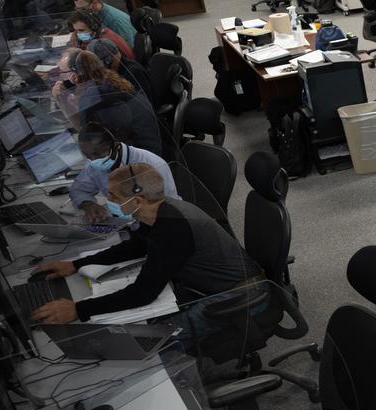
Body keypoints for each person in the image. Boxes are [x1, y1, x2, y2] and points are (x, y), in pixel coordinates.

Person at [30, 164, 266, 348]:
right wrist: (76, 264)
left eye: (113, 197)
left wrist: (77, 310)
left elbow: (143, 293)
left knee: (157, 339)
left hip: (240, 297)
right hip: (214, 287)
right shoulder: (159, 211)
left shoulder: (172, 228)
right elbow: (136, 246)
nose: (107, 201)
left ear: (137, 200)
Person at [69, 123, 178, 223]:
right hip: (121, 224)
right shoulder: (93, 164)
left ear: (115, 146)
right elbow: (78, 190)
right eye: (88, 156)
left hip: (155, 223)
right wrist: (88, 205)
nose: (93, 160)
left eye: (98, 154)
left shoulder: (152, 164)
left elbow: (169, 208)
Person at [68, 9, 133, 66]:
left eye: (81, 30)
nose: (78, 34)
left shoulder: (103, 43)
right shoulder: (102, 31)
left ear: (94, 28)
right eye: (76, 30)